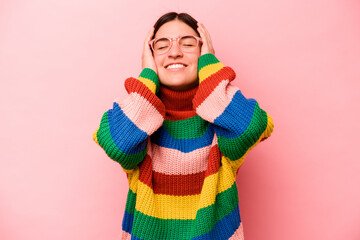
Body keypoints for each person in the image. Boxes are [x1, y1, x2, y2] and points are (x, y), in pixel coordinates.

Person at [93, 11, 274, 240]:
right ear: (149, 55)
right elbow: (117, 144)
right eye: (161, 46)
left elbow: (251, 127)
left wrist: (209, 66)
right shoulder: (139, 117)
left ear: (204, 52)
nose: (175, 52)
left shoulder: (222, 119)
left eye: (188, 44)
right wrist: (148, 74)